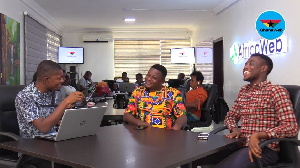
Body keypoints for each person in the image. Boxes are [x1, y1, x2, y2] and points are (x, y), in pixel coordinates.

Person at [213, 53, 299, 168]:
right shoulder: (244, 92)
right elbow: (231, 116)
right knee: (193, 159)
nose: (245, 67)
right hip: (239, 144)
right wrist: (234, 129)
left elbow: (291, 127)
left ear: (264, 68)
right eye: (245, 64)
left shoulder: (276, 91)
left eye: (251, 64)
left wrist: (258, 135)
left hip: (263, 149)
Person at [15, 60, 84, 167]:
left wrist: (70, 122)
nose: (63, 81)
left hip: (51, 143)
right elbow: (43, 127)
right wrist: (65, 103)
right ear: (46, 79)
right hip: (32, 149)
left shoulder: (52, 93)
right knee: (71, 162)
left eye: (63, 77)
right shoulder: (25, 96)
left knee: (83, 154)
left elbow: (54, 119)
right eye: (59, 78)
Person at [123, 64, 187, 130]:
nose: (149, 79)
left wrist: (175, 128)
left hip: (166, 135)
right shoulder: (138, 92)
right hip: (142, 134)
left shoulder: (173, 93)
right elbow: (127, 115)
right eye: (148, 75)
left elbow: (182, 116)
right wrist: (139, 123)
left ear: (162, 81)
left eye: (154, 78)